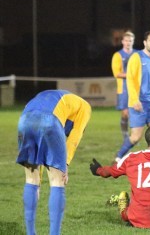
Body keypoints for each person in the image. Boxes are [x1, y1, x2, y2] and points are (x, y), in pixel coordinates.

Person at [16, 90, 91, 235]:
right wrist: (65, 165)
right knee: (57, 181)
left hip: (24, 120)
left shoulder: (54, 97)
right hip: (50, 120)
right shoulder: (85, 107)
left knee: (31, 180)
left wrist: (39, 182)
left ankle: (31, 233)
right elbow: (75, 135)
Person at [114, 30, 150, 162]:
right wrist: (135, 100)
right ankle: (119, 157)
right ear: (145, 42)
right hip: (139, 103)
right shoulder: (136, 57)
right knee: (135, 137)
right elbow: (130, 79)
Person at [111, 31, 137, 151]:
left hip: (137, 88)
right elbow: (117, 73)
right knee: (125, 113)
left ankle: (136, 134)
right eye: (126, 41)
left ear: (133, 41)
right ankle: (125, 135)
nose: (128, 43)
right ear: (122, 42)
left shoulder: (137, 54)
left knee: (137, 111)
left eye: (130, 41)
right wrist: (131, 75)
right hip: (124, 88)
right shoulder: (118, 55)